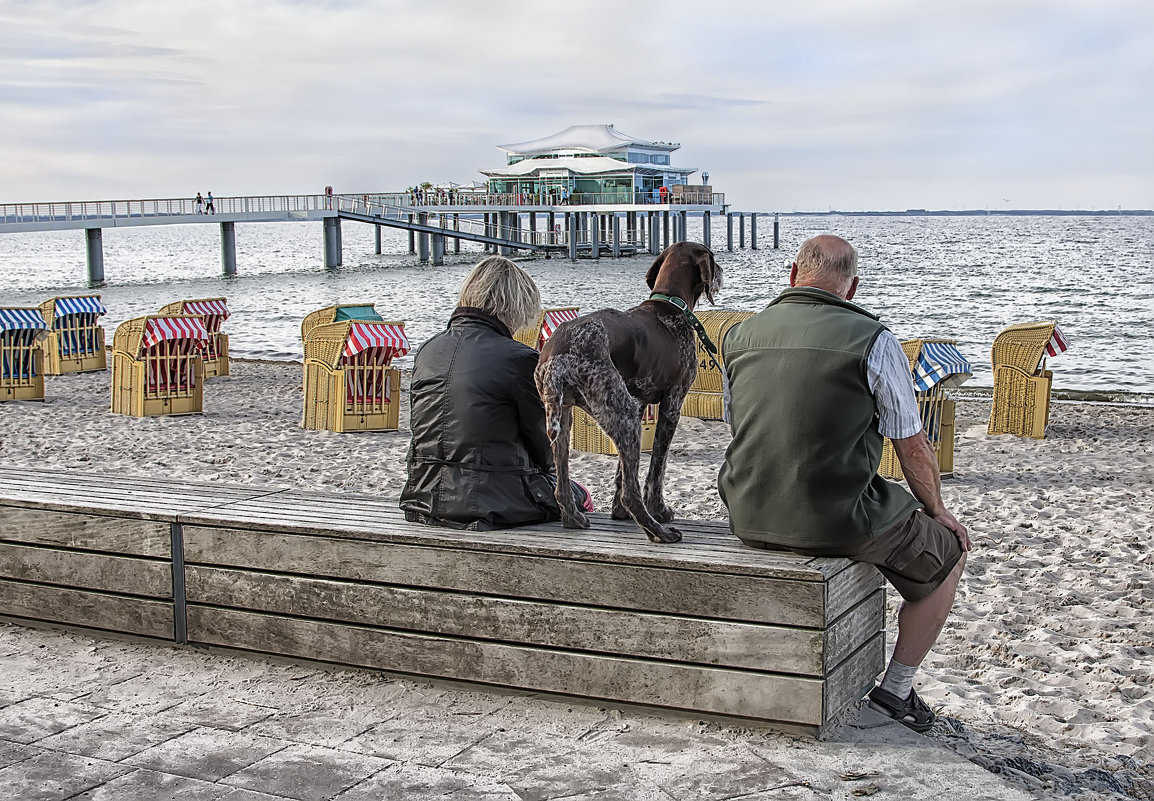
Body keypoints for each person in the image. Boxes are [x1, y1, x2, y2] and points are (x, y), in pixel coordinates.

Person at [718, 234, 970, 733]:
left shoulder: (739, 336)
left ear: (792, 275)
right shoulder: (873, 340)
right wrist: (938, 510)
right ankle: (895, 694)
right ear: (851, 288)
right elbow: (912, 445)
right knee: (948, 555)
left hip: (747, 513)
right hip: (834, 519)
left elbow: (738, 424)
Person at [400, 255, 592, 530]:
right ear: (515, 306)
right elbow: (546, 446)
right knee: (579, 496)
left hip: (423, 495)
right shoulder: (520, 360)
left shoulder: (427, 351)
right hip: (493, 501)